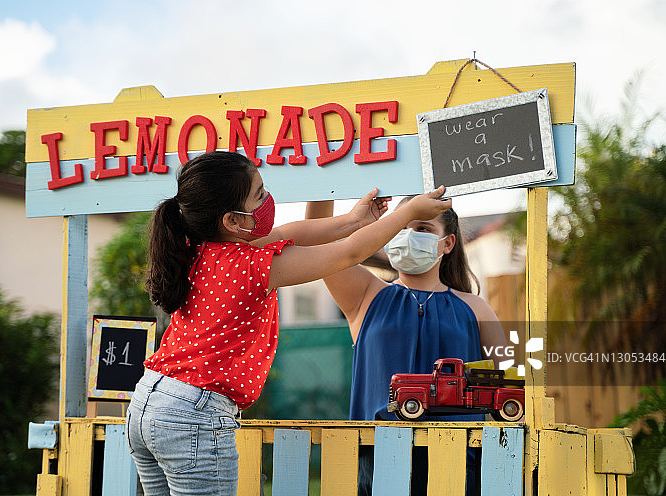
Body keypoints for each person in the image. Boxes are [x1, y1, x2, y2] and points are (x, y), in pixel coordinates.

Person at [126, 151, 452, 496]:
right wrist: (408, 213)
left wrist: (356, 219)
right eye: (260, 195)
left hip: (149, 401)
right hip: (193, 415)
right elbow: (349, 254)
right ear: (233, 221)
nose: (268, 200)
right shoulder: (251, 266)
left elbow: (292, 231)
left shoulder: (199, 248)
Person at [305, 196, 508, 495]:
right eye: (401, 226)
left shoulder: (476, 309)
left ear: (448, 243)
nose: (410, 235)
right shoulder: (365, 295)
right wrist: (326, 183)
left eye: (423, 228)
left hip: (457, 465)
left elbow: (506, 387)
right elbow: (314, 244)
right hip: (376, 464)